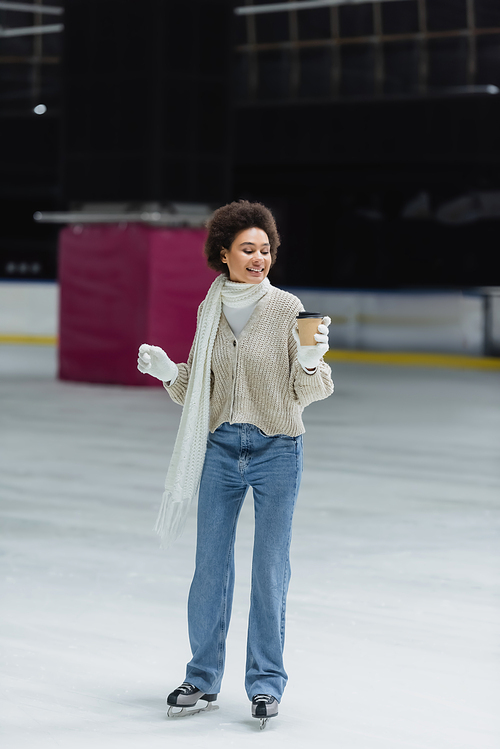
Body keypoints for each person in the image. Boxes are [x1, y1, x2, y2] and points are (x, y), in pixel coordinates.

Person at [137, 200, 333, 728]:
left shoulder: (288, 308)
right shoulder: (209, 310)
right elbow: (202, 390)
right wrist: (166, 372)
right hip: (220, 450)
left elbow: (309, 389)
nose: (258, 258)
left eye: (265, 249)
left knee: (269, 572)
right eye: (247, 248)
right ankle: (201, 679)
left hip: (277, 451)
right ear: (223, 253)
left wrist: (312, 361)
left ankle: (266, 684)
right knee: (210, 570)